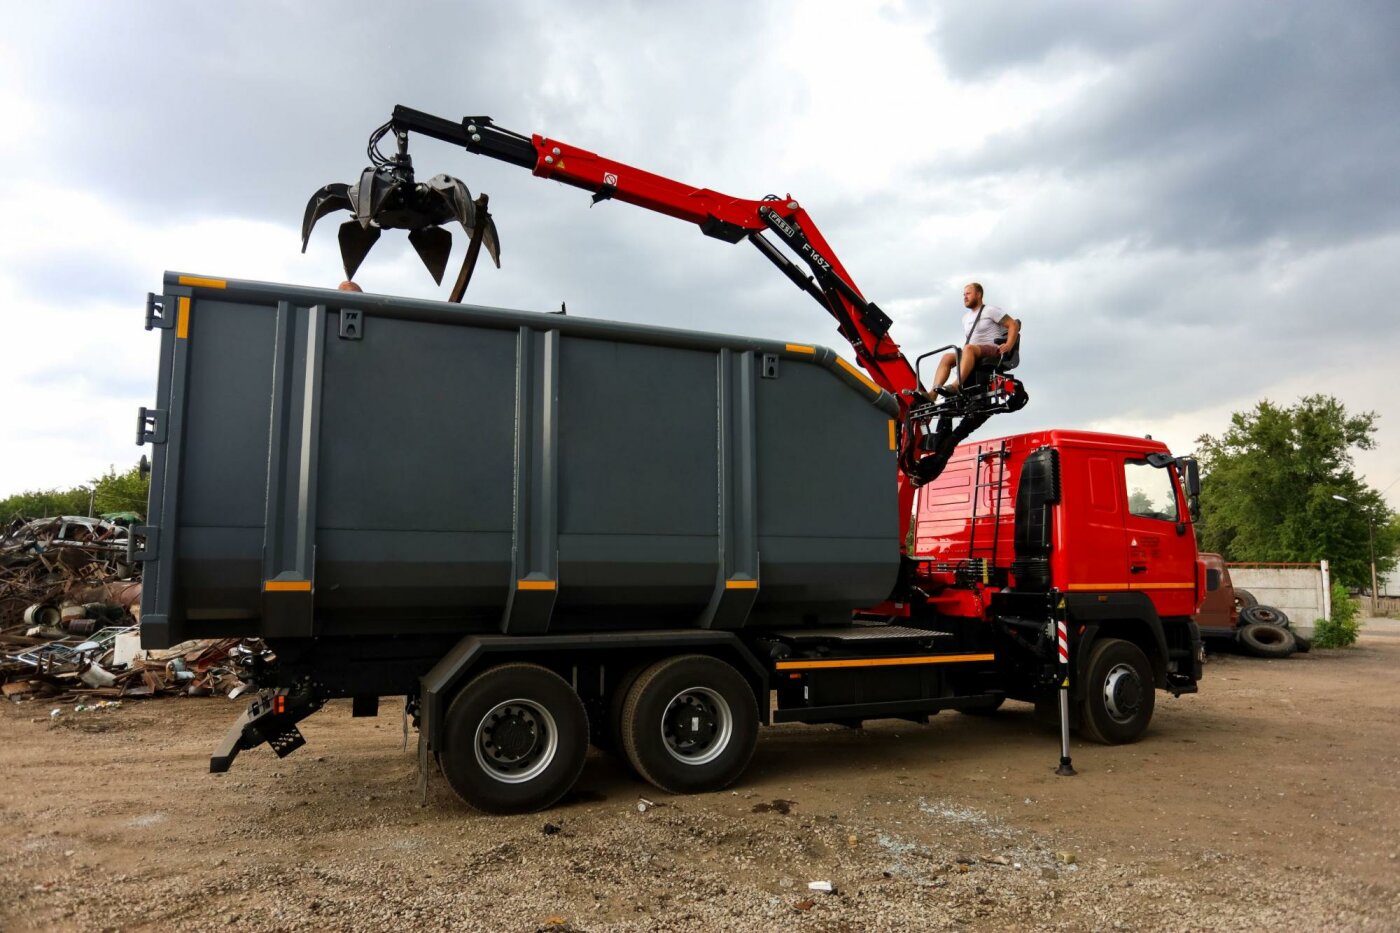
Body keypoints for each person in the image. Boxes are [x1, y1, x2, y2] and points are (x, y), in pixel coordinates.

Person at [931, 282, 1019, 396]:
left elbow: (1013, 325)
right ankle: (932, 394)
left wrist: (1009, 345)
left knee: (968, 349)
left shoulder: (990, 310)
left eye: (968, 294)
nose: (965, 297)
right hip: (973, 351)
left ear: (978, 294)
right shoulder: (965, 318)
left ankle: (956, 386)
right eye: (964, 295)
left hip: (992, 350)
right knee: (947, 357)